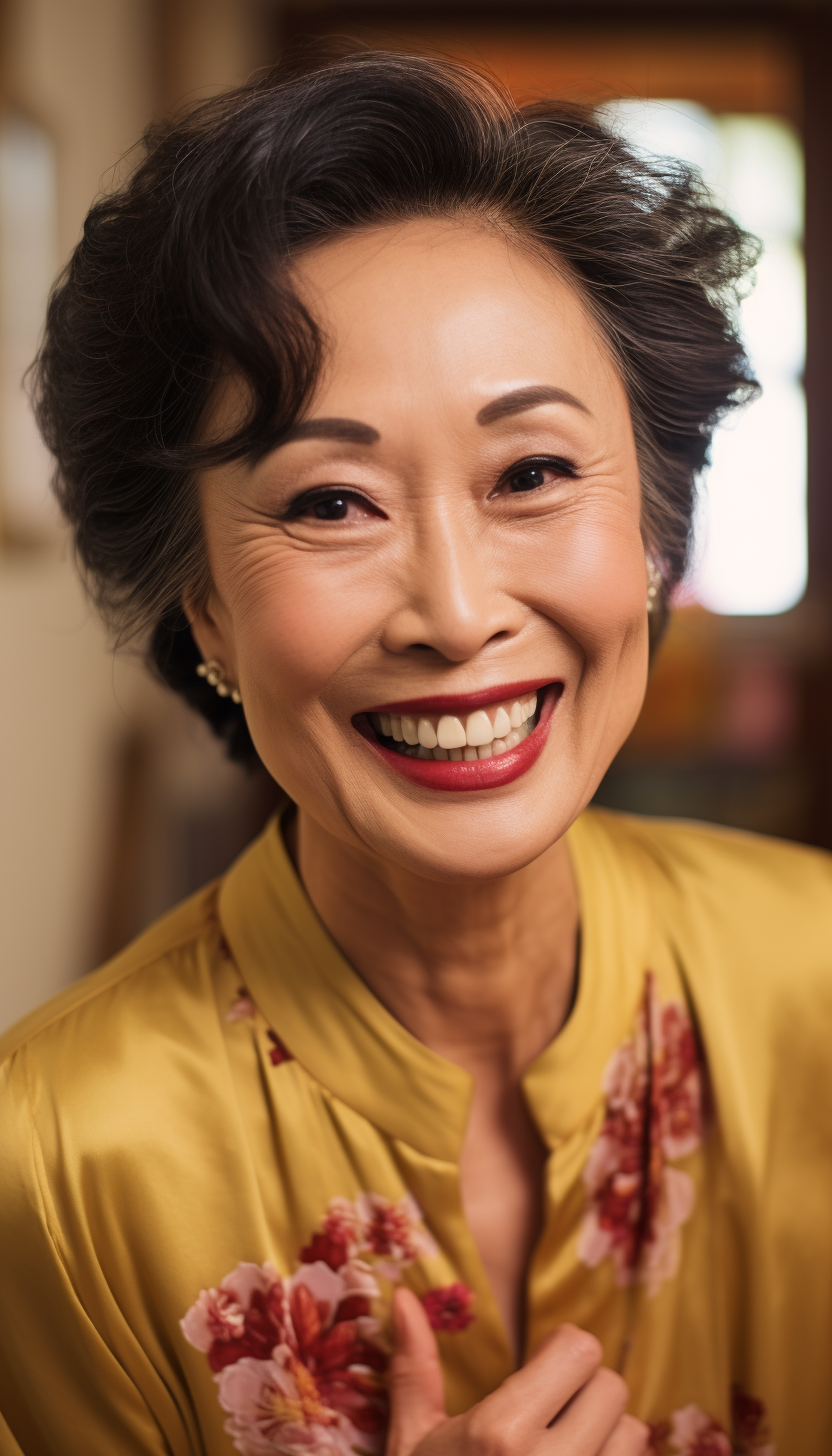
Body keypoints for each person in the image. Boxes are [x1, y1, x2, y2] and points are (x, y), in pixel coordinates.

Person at [1, 46, 830, 1456]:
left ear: (651, 534)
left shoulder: (818, 986)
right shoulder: (55, 1164)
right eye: (330, 502)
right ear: (204, 604)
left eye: (533, 475)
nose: (455, 614)